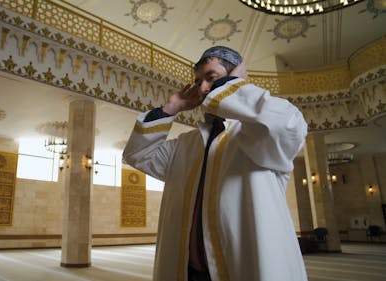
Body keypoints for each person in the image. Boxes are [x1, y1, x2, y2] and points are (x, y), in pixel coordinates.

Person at [123, 46, 308, 281]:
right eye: (198, 81)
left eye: (212, 78)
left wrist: (234, 83)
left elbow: (288, 125)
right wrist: (172, 107)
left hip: (245, 268)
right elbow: (138, 155)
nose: (202, 89)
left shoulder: (260, 135)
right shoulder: (186, 144)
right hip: (189, 272)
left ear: (235, 80)